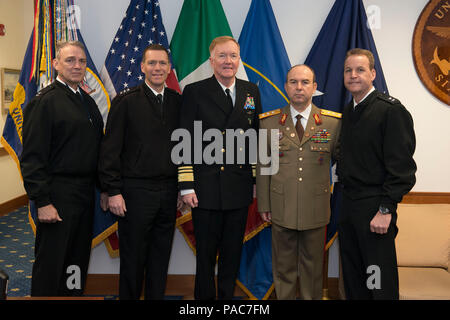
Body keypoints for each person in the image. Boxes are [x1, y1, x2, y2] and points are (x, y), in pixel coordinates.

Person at [179, 36, 262, 300]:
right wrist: (186, 185)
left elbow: (255, 138)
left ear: (239, 60)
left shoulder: (251, 91)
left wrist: (255, 182)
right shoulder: (195, 91)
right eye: (222, 56)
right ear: (212, 60)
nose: (228, 61)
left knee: (232, 253)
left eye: (233, 56)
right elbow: (185, 140)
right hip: (205, 187)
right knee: (205, 255)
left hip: (237, 187)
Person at [20, 41, 106, 296]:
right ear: (56, 64)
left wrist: (103, 188)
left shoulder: (87, 102)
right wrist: (42, 201)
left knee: (76, 261)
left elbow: (94, 149)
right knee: (52, 262)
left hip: (83, 193)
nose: (77, 65)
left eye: (81, 61)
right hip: (56, 194)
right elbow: (33, 157)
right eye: (70, 60)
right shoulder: (44, 102)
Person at [98, 44, 182, 300]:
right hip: (134, 193)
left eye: (162, 64)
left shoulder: (179, 102)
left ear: (169, 68)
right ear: (142, 66)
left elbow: (184, 147)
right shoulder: (125, 101)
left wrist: (182, 187)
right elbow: (110, 151)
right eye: (152, 63)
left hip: (168, 193)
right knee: (133, 261)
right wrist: (113, 191)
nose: (157, 68)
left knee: (160, 259)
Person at [256, 65, 341, 300]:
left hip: (315, 208)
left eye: (305, 82)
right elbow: (264, 167)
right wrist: (264, 204)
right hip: (281, 207)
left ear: (314, 87)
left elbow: (344, 162)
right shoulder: (269, 122)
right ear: (286, 87)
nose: (299, 87)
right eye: (293, 82)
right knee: (283, 268)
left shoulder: (332, 123)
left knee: (313, 269)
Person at [337, 48, 416, 300]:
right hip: (348, 205)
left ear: (373, 73)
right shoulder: (349, 111)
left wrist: (385, 210)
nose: (353, 75)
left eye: (360, 70)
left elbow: (402, 169)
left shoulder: (390, 111)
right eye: (348, 70)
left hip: (375, 208)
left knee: (378, 282)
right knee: (354, 279)